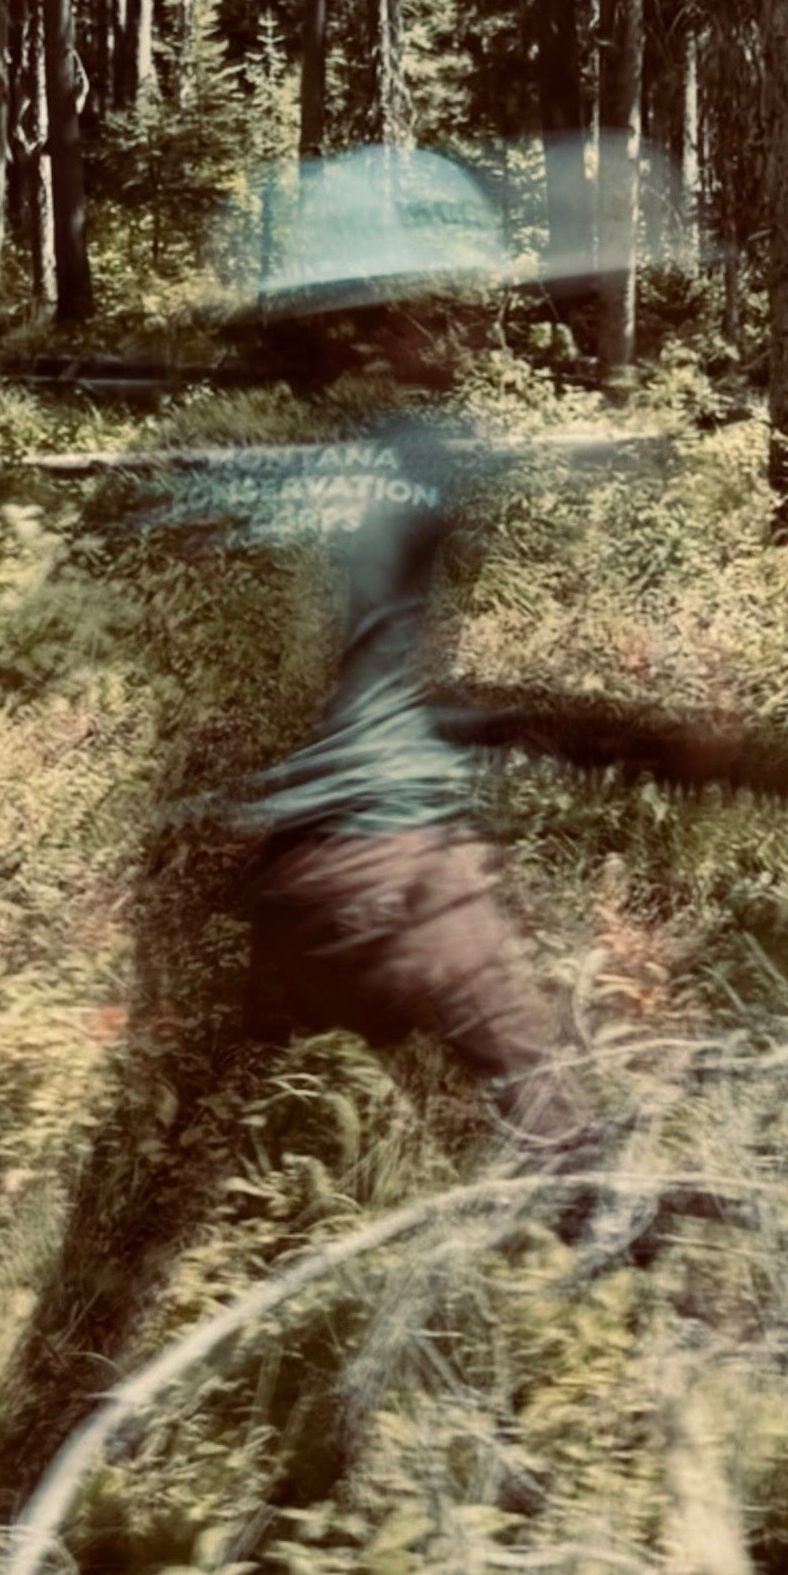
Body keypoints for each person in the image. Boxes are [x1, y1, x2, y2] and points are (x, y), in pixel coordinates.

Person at [225, 150, 593, 1159]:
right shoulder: (416, 455)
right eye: (446, 314)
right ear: (384, 327)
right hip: (397, 851)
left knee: (266, 1160)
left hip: (291, 866)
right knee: (566, 1147)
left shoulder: (291, 472)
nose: (468, 337)